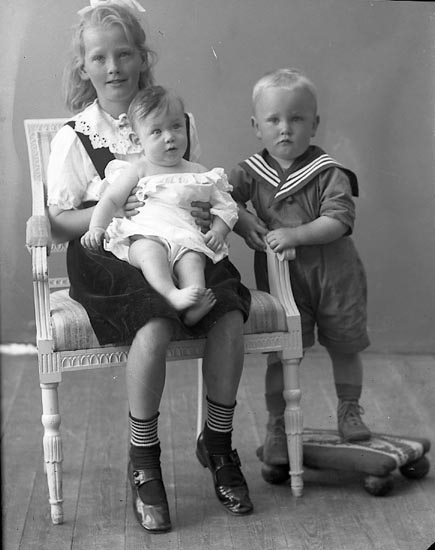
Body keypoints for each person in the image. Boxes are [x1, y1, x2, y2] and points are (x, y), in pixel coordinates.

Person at [47, 2, 253, 533]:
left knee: (227, 309)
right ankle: (144, 458)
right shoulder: (77, 135)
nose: (113, 67)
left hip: (181, 240)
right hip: (107, 251)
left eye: (124, 54)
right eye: (99, 58)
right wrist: (114, 207)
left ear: (142, 57)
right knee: (154, 320)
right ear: (84, 67)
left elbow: (198, 183)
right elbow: (59, 221)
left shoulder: (173, 118)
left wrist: (207, 213)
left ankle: (218, 442)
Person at [230, 68, 371, 466]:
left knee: (345, 345)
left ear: (314, 124)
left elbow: (338, 220)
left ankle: (349, 409)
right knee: (283, 353)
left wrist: (294, 234)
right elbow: (222, 200)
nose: (285, 129)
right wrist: (244, 221)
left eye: (296, 118)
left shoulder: (329, 172)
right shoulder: (249, 172)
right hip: (282, 279)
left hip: (335, 275)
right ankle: (277, 424)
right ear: (257, 127)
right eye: (274, 120)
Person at [81, 85, 238, 326]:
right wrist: (97, 227)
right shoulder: (138, 170)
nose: (169, 137)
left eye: (176, 126)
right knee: (149, 253)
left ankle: (193, 306)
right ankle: (170, 294)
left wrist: (218, 231)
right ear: (137, 140)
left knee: (194, 260)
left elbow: (226, 206)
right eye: (156, 131)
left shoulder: (200, 172)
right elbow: (110, 200)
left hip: (187, 240)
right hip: (147, 237)